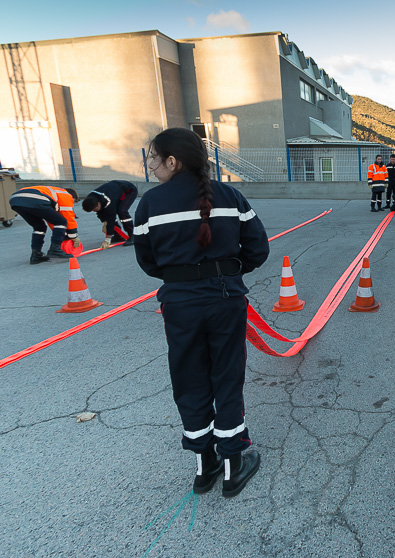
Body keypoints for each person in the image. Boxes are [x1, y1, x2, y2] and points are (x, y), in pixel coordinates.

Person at [133, 128, 270, 498]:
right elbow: (258, 248)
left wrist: (181, 279)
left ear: (172, 161)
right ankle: (233, 467)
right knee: (227, 376)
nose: (150, 166)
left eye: (153, 159)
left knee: (189, 378)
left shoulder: (148, 204)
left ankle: (203, 464)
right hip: (226, 299)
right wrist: (229, 271)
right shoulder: (230, 195)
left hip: (179, 304)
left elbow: (147, 261)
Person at [9, 185, 80, 263]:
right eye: (73, 201)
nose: (72, 204)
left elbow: (52, 222)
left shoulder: (53, 193)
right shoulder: (66, 195)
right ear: (72, 196)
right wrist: (73, 236)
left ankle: (36, 255)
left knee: (39, 227)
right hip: (34, 198)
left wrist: (63, 234)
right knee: (61, 221)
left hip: (15, 200)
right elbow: (68, 217)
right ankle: (55, 250)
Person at [81, 179, 138, 248]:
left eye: (94, 209)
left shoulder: (108, 200)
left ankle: (133, 235)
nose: (94, 211)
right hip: (114, 190)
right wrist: (104, 222)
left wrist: (108, 239)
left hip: (129, 190)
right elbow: (100, 212)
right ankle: (118, 235)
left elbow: (111, 218)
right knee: (107, 215)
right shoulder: (91, 198)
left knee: (122, 211)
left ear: (99, 204)